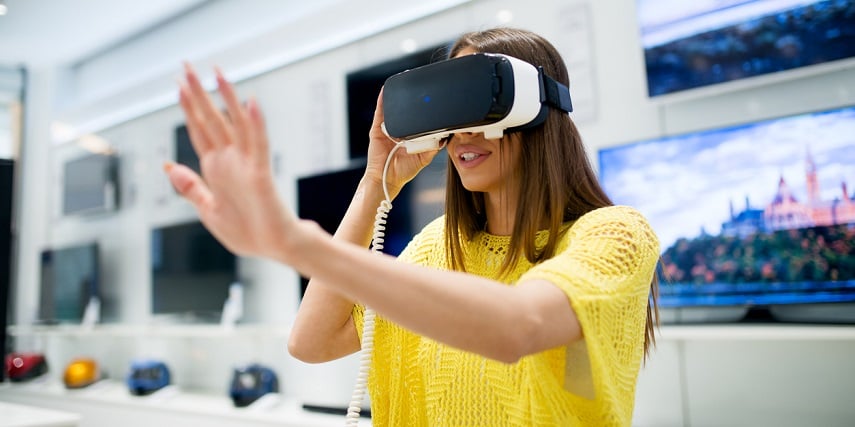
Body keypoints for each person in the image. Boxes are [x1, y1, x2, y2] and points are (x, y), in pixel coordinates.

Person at [167, 27, 660, 427]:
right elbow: (311, 342)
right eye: (451, 112)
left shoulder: (615, 236)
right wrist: (374, 184)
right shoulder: (434, 248)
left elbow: (517, 326)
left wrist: (294, 242)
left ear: (536, 107)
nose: (462, 131)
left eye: (478, 101)